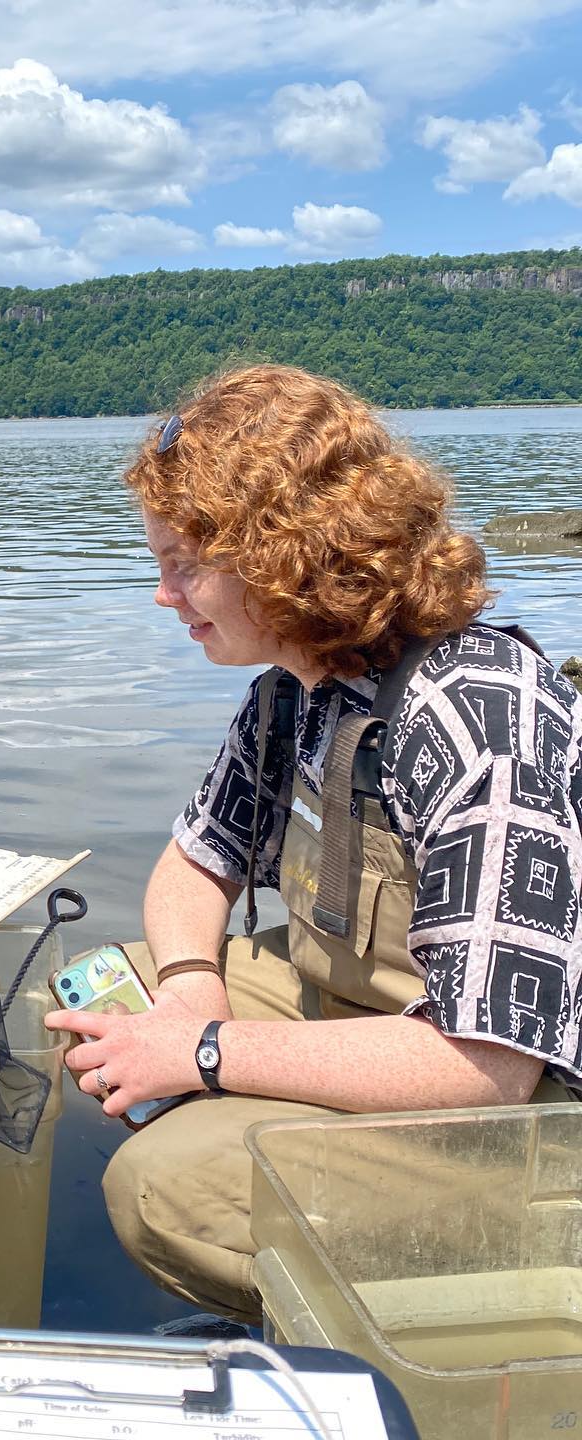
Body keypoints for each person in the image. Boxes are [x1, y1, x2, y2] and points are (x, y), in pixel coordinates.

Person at [46, 364, 582, 1324]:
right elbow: (194, 864)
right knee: (100, 996)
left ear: (287, 556)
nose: (162, 595)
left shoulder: (474, 722)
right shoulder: (296, 689)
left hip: (511, 1111)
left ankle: (409, 1320)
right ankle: (289, 1177)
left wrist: (205, 1055)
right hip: (361, 1015)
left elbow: (486, 1064)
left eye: (182, 564)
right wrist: (188, 991)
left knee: (163, 1190)